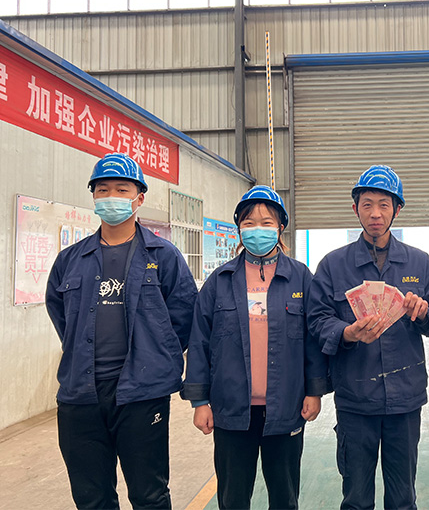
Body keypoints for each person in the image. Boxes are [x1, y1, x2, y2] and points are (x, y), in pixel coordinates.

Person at [45, 152, 197, 509]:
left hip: (142, 395)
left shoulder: (163, 256)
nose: (111, 196)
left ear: (139, 198)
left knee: (149, 495)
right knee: (91, 497)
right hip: (80, 395)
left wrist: (155, 356)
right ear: (93, 196)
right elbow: (60, 313)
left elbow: (184, 315)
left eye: (121, 189)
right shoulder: (70, 260)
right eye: (102, 190)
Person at [307, 165, 429, 510]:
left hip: (405, 402)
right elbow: (317, 320)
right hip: (355, 400)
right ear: (355, 208)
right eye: (367, 204)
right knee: (356, 498)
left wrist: (422, 314)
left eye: (384, 205)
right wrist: (346, 332)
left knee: (403, 498)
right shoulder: (333, 265)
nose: (375, 214)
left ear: (397, 209)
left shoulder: (419, 263)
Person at [182, 186, 329, 510]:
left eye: (266, 223)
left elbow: (313, 340)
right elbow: (200, 342)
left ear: (280, 227)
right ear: (239, 229)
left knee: (284, 497)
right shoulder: (220, 281)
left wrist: (314, 391)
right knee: (233, 498)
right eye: (249, 223)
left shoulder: (300, 279)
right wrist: (200, 401)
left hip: (287, 408)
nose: (257, 230)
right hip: (232, 410)